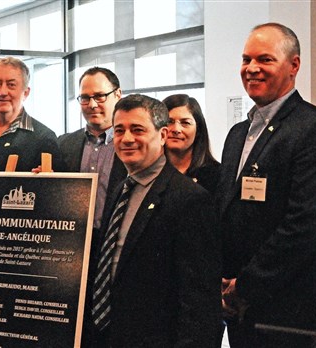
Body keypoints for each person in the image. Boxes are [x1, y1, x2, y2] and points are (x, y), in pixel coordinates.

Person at [219, 22, 316, 347]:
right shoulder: (236, 135)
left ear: (294, 65)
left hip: (295, 313)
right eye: (246, 60)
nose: (252, 69)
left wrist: (243, 287)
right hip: (243, 312)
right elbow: (230, 213)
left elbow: (306, 226)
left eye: (265, 59)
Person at [84, 94, 221, 347]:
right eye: (120, 130)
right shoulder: (120, 191)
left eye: (138, 130)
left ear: (163, 135)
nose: (126, 139)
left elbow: (199, 302)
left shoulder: (190, 200)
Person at [58, 67, 127, 233]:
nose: (92, 104)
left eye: (100, 96)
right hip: (72, 243)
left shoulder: (131, 145)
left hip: (114, 243)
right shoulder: (63, 144)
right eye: (85, 98)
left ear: (118, 94)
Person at [162, 94, 220, 194]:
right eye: (169, 122)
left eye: (185, 123)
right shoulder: (149, 173)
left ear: (198, 130)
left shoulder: (217, 175)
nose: (176, 129)